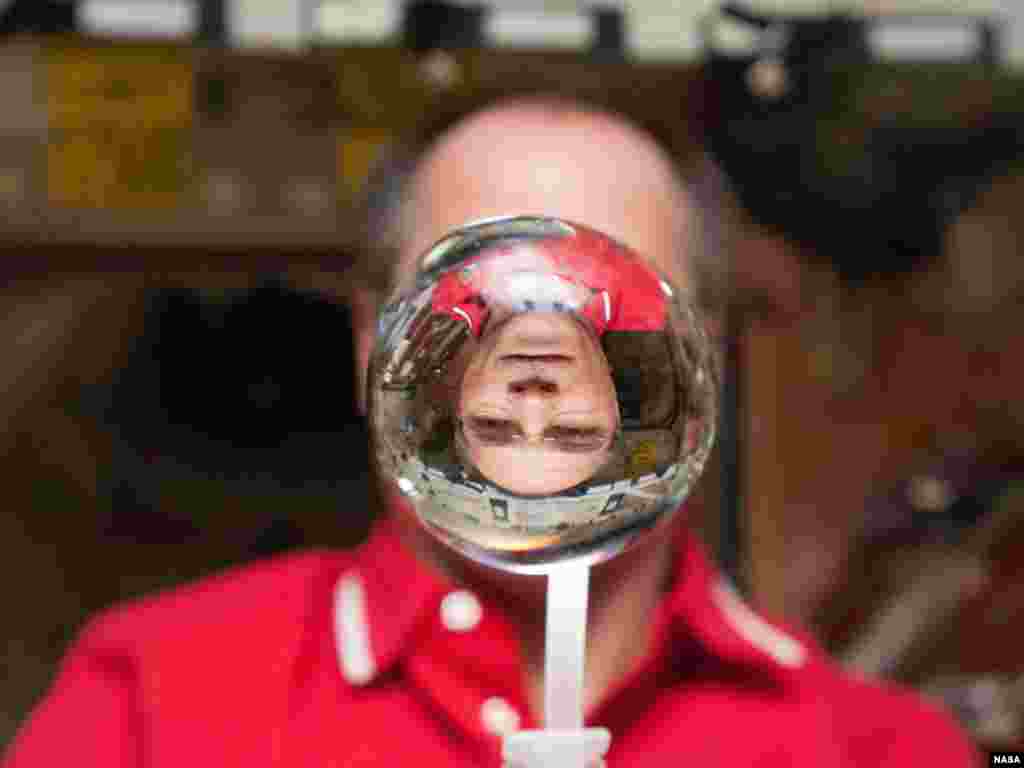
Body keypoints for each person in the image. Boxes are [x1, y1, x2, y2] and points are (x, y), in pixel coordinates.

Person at [3, 82, 979, 766]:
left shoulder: (881, 754)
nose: (540, 363)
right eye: (470, 303)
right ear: (370, 345)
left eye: (610, 305)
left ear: (701, 358)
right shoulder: (151, 704)